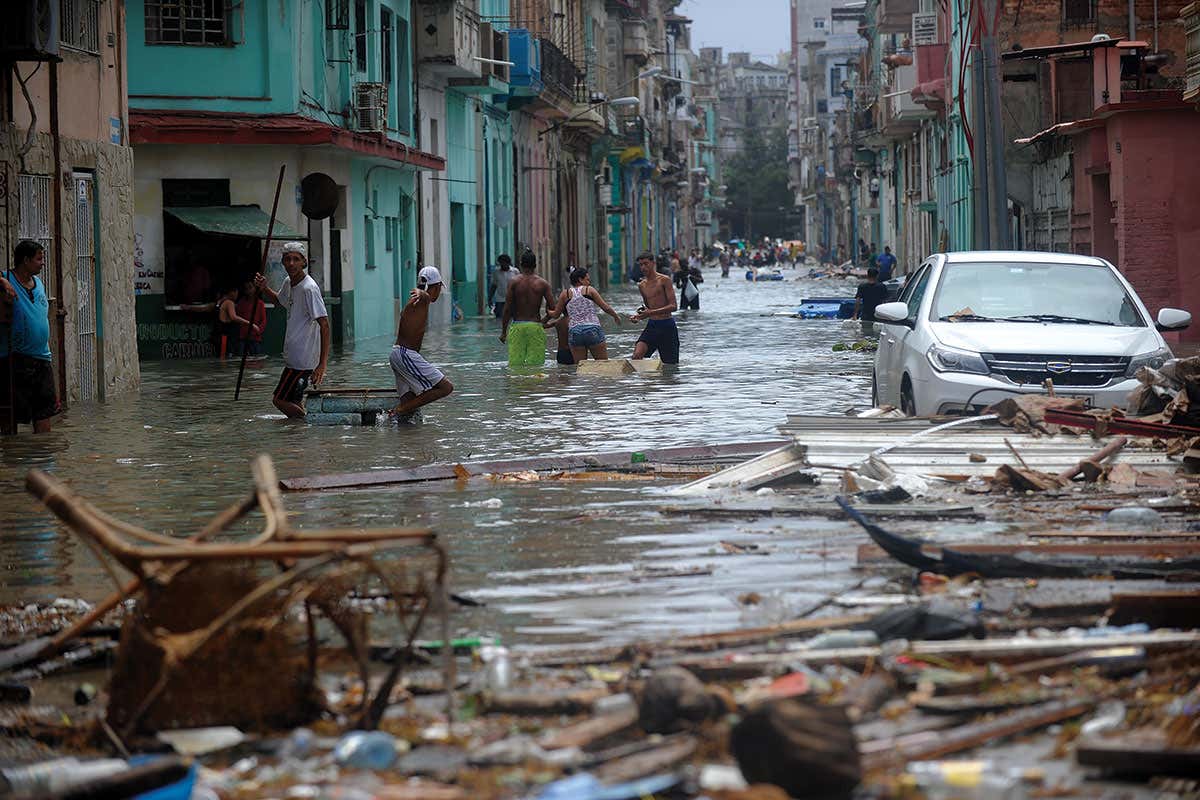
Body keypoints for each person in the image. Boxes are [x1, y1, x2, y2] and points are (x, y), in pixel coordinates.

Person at [254, 241, 329, 419]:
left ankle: (309, 424)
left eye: (296, 259)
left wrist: (322, 364)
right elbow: (279, 302)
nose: (291, 263)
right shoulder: (289, 282)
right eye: (288, 259)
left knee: (279, 400)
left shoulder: (309, 288)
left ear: (304, 262)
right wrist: (264, 288)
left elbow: (324, 324)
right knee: (293, 402)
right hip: (293, 357)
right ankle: (298, 441)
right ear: (283, 262)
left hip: (302, 361)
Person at [0, 240, 58, 433]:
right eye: (39, 259)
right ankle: (12, 457)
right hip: (16, 359)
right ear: (25, 260)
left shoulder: (39, 283)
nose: (42, 263)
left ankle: (43, 456)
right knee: (11, 415)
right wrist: (2, 281)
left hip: (42, 358)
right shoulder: (7, 278)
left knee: (44, 413)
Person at [390, 266, 454, 417]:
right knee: (446, 387)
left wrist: (421, 292)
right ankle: (397, 411)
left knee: (409, 402)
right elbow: (424, 295)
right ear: (437, 286)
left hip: (398, 354)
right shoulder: (422, 300)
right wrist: (422, 292)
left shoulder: (414, 303)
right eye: (439, 287)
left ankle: (399, 427)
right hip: (405, 354)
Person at [550, 266, 622, 362]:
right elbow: (605, 307)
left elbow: (555, 315)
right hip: (592, 329)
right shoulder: (589, 290)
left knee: (580, 369)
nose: (589, 282)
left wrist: (547, 312)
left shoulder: (565, 294)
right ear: (580, 280)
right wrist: (615, 316)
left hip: (575, 332)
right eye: (587, 280)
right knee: (603, 365)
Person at [500, 250, 555, 367]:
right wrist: (542, 322)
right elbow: (553, 309)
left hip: (517, 327)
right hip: (535, 327)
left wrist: (503, 332)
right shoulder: (543, 284)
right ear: (535, 265)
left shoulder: (513, 282)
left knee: (515, 366)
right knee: (536, 367)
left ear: (521, 264)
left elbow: (507, 309)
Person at [630, 252, 679, 364]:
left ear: (653, 263)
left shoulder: (664, 280)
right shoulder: (642, 285)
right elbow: (648, 308)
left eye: (646, 264)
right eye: (641, 265)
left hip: (667, 326)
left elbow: (673, 306)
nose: (643, 267)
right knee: (637, 355)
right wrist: (639, 317)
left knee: (670, 365)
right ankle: (644, 381)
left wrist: (650, 312)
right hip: (652, 326)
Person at [216, 285, 258, 359]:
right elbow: (233, 317)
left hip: (221, 335)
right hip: (227, 337)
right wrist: (250, 324)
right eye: (236, 292)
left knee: (223, 358)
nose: (237, 295)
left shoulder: (220, 302)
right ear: (232, 292)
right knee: (227, 358)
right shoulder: (229, 302)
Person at [235, 279, 267, 357]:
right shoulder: (241, 303)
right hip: (243, 337)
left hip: (255, 338)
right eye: (246, 288)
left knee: (256, 361)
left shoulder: (260, 303)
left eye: (250, 287)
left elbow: (263, 320)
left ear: (255, 288)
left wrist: (258, 331)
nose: (248, 291)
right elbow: (237, 318)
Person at [489, 253, 514, 320]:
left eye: (504, 263)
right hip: (500, 299)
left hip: (512, 299)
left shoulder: (515, 271)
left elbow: (519, 285)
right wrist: (490, 298)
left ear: (508, 263)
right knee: (499, 319)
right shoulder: (496, 272)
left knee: (512, 319)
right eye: (501, 263)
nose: (502, 265)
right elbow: (494, 285)